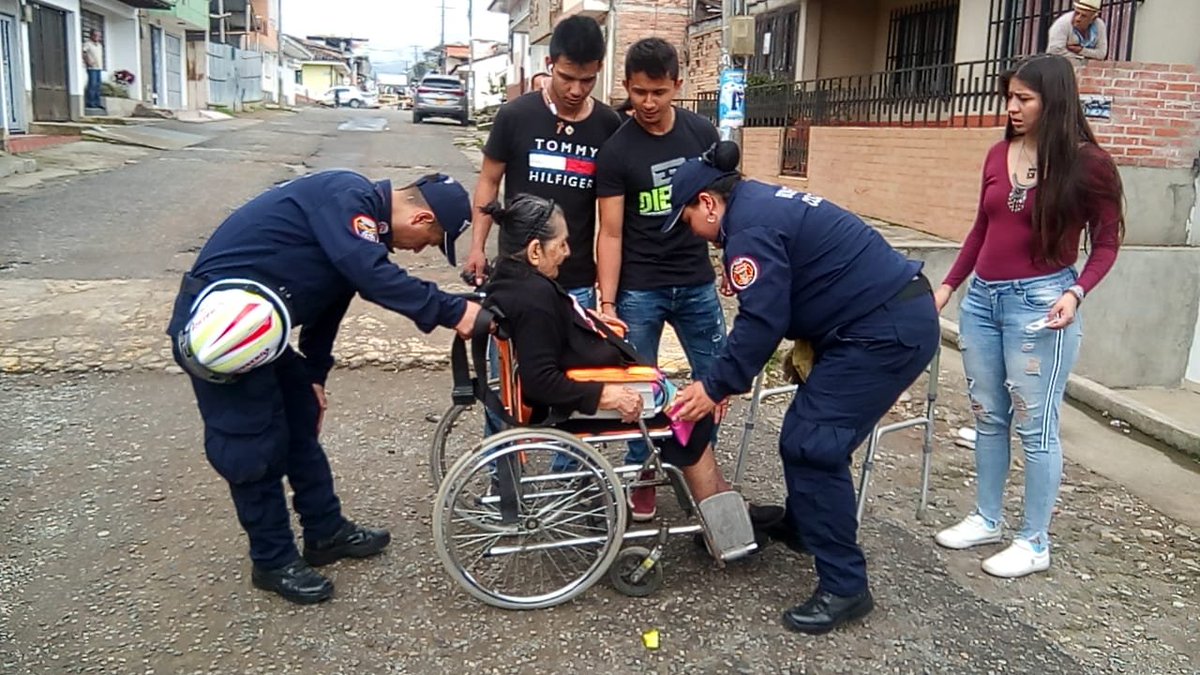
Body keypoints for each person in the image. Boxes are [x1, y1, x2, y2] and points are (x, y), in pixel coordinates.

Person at [166, 170, 484, 605]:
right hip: (222, 330)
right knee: (249, 446)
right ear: (422, 219)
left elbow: (328, 303)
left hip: (263, 330)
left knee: (301, 422)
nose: (421, 250)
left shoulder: (358, 228)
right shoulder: (347, 198)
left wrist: (314, 374)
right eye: (431, 241)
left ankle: (324, 532)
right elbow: (369, 275)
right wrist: (452, 311)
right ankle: (272, 560)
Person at [668, 141, 941, 635]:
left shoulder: (747, 228)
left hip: (882, 332)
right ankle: (805, 524)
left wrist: (716, 384)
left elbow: (762, 322)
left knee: (813, 444)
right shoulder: (755, 207)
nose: (694, 233)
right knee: (810, 437)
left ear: (707, 203)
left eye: (687, 219)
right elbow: (782, 291)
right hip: (879, 320)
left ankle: (845, 586)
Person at [480, 193, 782, 540]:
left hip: (603, 372)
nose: (567, 252)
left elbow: (550, 339)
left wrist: (586, 319)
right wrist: (606, 396)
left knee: (686, 413)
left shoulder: (512, 282)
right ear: (535, 251)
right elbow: (539, 380)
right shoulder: (534, 300)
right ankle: (727, 530)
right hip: (602, 387)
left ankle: (728, 511)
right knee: (692, 415)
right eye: (561, 245)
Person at [932, 54, 1123, 578]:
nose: (1012, 107)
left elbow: (1107, 241)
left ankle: (1034, 541)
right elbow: (981, 229)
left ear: (1053, 101)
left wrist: (1078, 292)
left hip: (1041, 304)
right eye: (1010, 96)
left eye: (1025, 99)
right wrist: (949, 285)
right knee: (988, 414)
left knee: (1037, 426)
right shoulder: (999, 154)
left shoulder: (1089, 164)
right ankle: (986, 517)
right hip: (984, 302)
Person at [594, 38, 726, 521]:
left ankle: (700, 471)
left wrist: (731, 261)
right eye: (638, 93)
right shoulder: (616, 151)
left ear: (677, 85)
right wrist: (608, 305)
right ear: (626, 87)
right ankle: (644, 473)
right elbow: (609, 233)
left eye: (658, 92)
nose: (648, 104)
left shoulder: (701, 134)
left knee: (716, 382)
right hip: (640, 290)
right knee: (641, 395)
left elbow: (722, 205)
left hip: (695, 281)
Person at [462, 15, 622, 305]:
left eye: (587, 80)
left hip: (577, 282)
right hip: (517, 276)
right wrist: (477, 248)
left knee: (574, 352)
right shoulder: (515, 116)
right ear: (550, 64)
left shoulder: (608, 125)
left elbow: (611, 216)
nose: (576, 90)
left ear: (599, 68)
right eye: (566, 78)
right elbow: (488, 181)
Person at [83, 29, 104, 111]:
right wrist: (88, 61)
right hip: (92, 67)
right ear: (91, 35)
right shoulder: (87, 44)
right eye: (95, 35)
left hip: (99, 67)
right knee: (92, 84)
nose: (97, 37)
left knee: (98, 85)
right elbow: (83, 53)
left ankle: (97, 103)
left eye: (99, 36)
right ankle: (90, 102)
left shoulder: (99, 45)